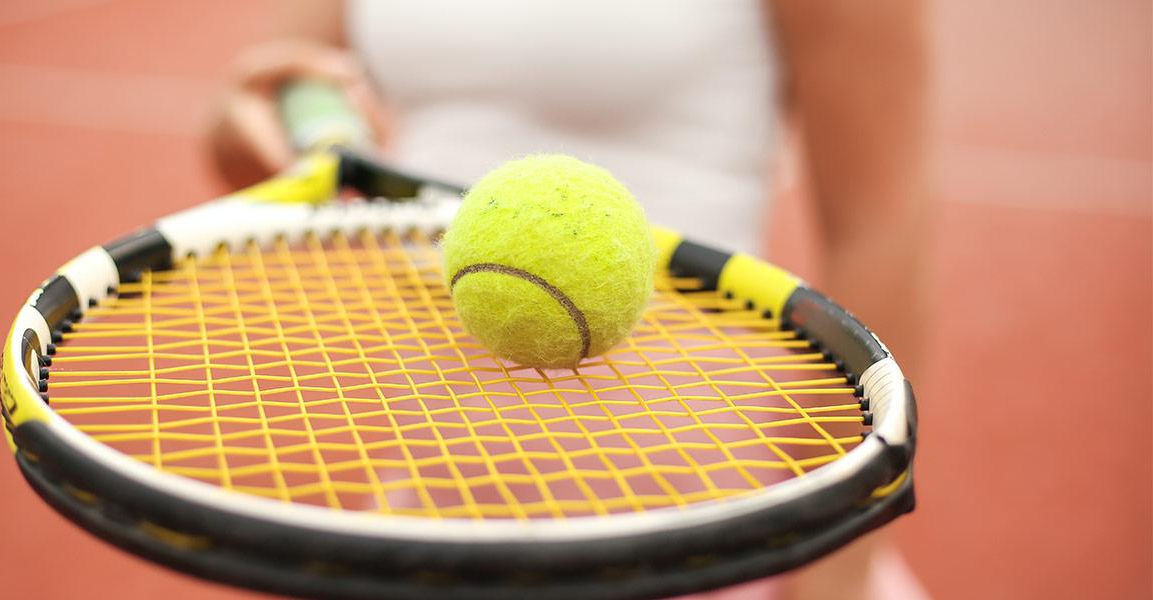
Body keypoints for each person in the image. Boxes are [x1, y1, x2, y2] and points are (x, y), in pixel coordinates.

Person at [208, 2, 931, 598]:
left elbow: (880, 224)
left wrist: (832, 571)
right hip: (434, 492)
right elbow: (278, 100)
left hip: (703, 528)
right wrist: (257, 119)